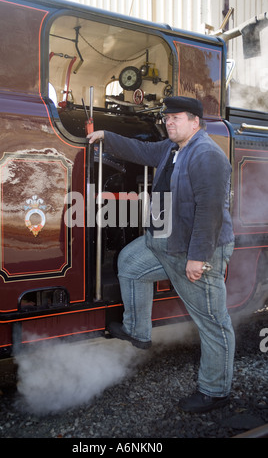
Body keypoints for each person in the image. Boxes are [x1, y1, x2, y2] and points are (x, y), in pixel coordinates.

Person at [87, 96, 235, 413]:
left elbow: (210, 213)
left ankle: (216, 390)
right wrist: (107, 137)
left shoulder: (206, 155)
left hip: (194, 250)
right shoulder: (172, 149)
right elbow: (142, 151)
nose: (169, 122)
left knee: (213, 323)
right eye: (167, 118)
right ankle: (137, 330)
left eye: (177, 117)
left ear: (195, 121)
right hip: (164, 243)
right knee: (128, 263)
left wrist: (198, 257)